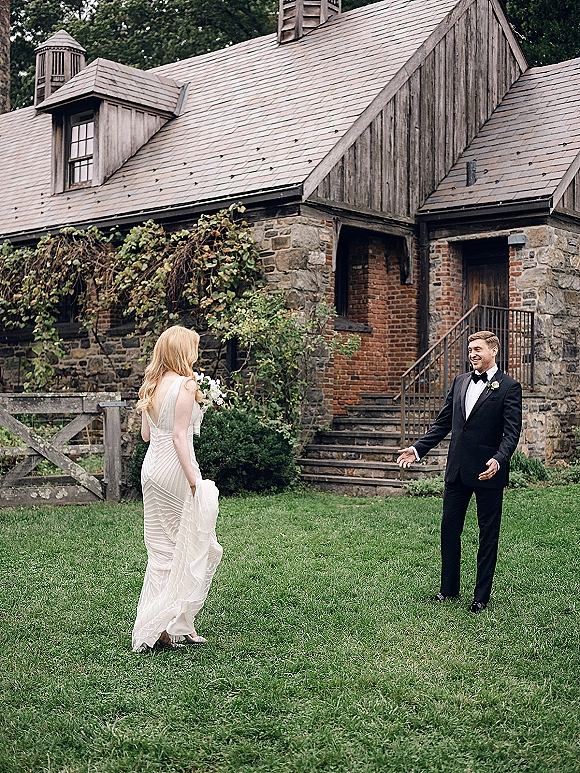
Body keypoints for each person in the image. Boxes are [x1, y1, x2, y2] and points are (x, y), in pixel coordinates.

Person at [396, 330, 522, 612]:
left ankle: (481, 597)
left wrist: (499, 459)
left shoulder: (509, 387)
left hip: (488, 471)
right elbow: (443, 424)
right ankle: (448, 589)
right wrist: (417, 449)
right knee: (449, 529)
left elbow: (512, 433)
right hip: (456, 471)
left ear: (493, 351)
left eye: (478, 349)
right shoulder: (460, 381)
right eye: (470, 349)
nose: (472, 354)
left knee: (487, 534)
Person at [132, 325, 222, 652]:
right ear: (183, 351)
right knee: (188, 544)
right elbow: (178, 436)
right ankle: (172, 624)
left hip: (151, 471)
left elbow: (146, 435)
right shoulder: (186, 384)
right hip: (174, 470)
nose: (196, 354)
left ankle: (168, 625)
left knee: (162, 551)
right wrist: (194, 481)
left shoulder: (151, 385)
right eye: (193, 348)